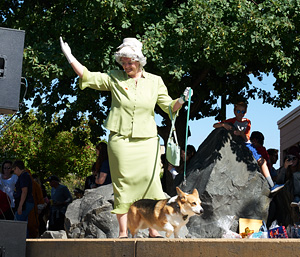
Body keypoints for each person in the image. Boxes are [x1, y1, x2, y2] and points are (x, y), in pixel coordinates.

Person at [60, 36, 192, 238]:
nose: (126, 65)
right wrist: (70, 57)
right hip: (120, 140)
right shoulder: (114, 77)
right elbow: (88, 76)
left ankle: (152, 230)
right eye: (123, 62)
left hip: (147, 140)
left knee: (151, 181)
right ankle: (123, 232)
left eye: (129, 62)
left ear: (139, 60)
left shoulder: (155, 81)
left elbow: (169, 107)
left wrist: (182, 100)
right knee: (122, 184)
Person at [213, 102, 284, 193]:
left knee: (262, 161)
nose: (240, 113)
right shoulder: (231, 121)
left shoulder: (247, 122)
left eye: (243, 112)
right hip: (236, 146)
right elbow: (215, 125)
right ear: (234, 111)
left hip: (246, 144)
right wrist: (223, 125)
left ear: (245, 113)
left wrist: (241, 133)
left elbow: (247, 137)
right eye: (238, 111)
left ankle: (270, 184)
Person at [12, 160, 34, 237]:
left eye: (14, 169)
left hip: (25, 203)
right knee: (23, 224)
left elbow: (24, 191)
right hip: (27, 202)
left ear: (17, 168)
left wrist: (20, 206)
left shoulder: (24, 176)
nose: (14, 172)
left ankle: (20, 242)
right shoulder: (25, 175)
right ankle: (25, 242)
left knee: (18, 224)